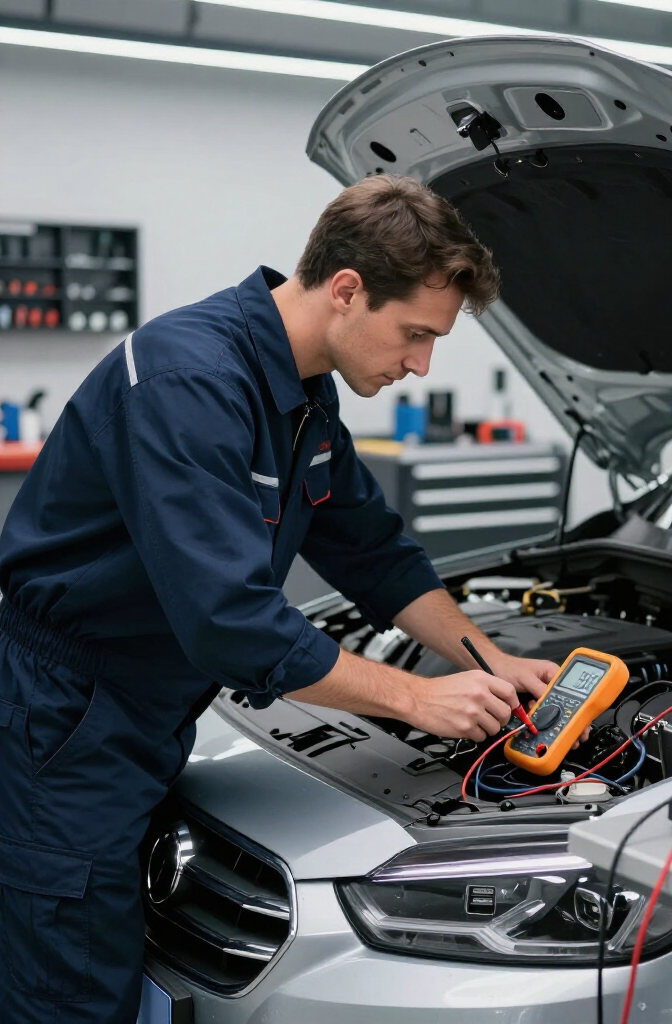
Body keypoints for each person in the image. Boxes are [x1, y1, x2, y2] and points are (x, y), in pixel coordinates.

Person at [0, 174, 560, 1024]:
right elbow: (230, 621)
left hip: (145, 701)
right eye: (414, 334)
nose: (420, 364)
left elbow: (374, 552)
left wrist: (486, 660)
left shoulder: (303, 395)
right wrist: (418, 697)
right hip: (67, 711)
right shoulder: (191, 381)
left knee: (118, 948)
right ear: (346, 291)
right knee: (70, 983)